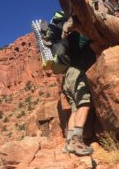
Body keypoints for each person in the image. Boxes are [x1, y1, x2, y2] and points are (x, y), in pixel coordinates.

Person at [32, 12, 96, 156]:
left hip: (67, 76)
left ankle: (69, 143)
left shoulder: (65, 38)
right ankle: (77, 141)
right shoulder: (80, 36)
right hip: (77, 73)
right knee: (84, 104)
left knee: (75, 109)